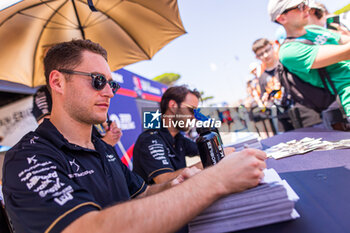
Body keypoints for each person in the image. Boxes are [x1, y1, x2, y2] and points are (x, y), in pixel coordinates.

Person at [2, 39, 266, 233]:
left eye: (112, 83)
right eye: (97, 80)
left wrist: (181, 181)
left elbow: (140, 194)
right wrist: (214, 181)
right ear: (57, 82)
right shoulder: (27, 159)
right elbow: (85, 228)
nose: (108, 92)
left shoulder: (101, 146)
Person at [268, 0, 350, 121]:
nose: (307, 8)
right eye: (300, 6)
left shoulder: (314, 29)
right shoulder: (289, 51)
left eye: (305, 3)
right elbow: (346, 52)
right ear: (282, 19)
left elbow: (345, 40)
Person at [133, 86, 205, 185]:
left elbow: (204, 149)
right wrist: (208, 162)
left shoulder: (178, 138)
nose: (194, 117)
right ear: (173, 106)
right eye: (191, 110)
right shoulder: (150, 138)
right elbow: (164, 180)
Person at [32, 85, 122, 146]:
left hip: (102, 155)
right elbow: (52, 135)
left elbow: (104, 124)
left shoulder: (83, 87)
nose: (109, 93)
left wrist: (111, 132)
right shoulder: (44, 92)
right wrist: (104, 143)